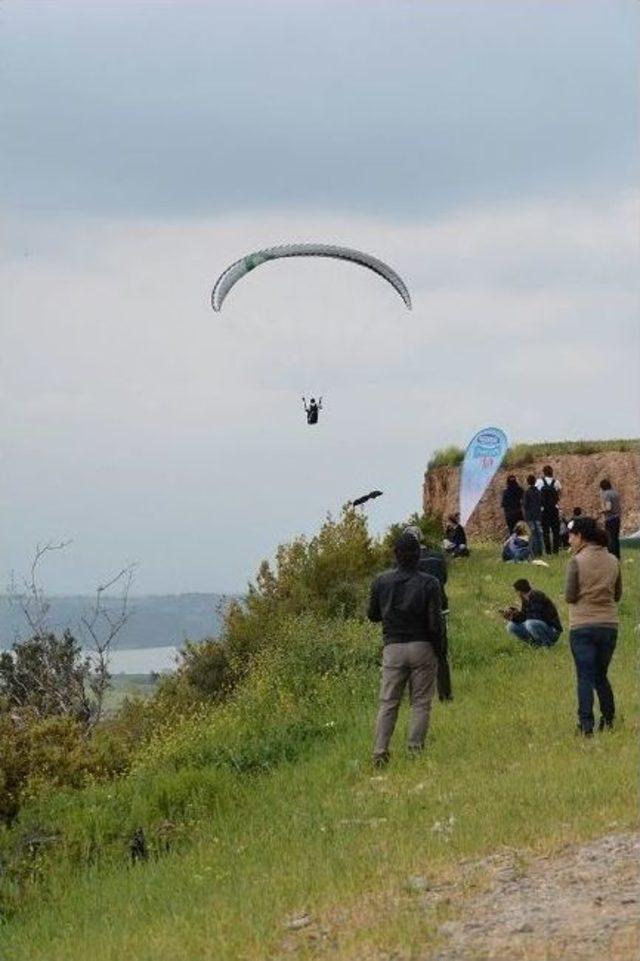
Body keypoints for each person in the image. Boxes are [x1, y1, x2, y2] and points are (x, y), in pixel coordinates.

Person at [368, 532, 443, 765]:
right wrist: (438, 650)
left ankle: (380, 752)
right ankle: (414, 750)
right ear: (419, 555)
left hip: (393, 647)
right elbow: (435, 622)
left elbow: (372, 615)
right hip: (421, 646)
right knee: (420, 703)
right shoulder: (430, 582)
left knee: (388, 702)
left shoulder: (380, 581)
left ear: (395, 555)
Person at [565, 516, 622, 735]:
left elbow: (570, 596)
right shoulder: (613, 560)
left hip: (582, 626)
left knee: (585, 676)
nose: (569, 540)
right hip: (609, 626)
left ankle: (585, 725)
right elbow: (617, 595)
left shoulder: (576, 562)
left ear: (580, 537)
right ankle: (608, 719)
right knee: (601, 675)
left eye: (571, 536)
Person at [405, 525, 452, 701]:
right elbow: (444, 580)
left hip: (415, 612)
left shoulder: (407, 563)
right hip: (439, 609)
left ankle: (417, 697)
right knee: (441, 655)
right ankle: (445, 695)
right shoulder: (438, 557)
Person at [502, 578, 562, 647]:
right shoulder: (525, 600)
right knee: (511, 626)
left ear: (520, 592)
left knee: (530, 623)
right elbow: (524, 617)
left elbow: (535, 617)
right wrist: (512, 616)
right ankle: (535, 644)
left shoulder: (537, 595)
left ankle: (547, 645)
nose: (517, 594)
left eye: (516, 591)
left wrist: (517, 614)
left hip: (552, 630)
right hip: (540, 626)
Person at [536, 465, 562, 555]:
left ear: (544, 472)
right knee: (556, 531)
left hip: (544, 510)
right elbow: (559, 494)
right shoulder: (556, 482)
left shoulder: (539, 482)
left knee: (545, 531)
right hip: (554, 509)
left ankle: (548, 551)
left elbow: (537, 494)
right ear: (552, 472)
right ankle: (556, 550)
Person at [599, 479, 622, 559]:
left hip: (610, 519)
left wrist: (601, 511)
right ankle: (617, 556)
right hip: (617, 518)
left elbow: (608, 507)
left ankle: (611, 557)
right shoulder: (615, 493)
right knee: (616, 538)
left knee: (610, 538)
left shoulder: (606, 494)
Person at [523, 474, 543, 558]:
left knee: (533, 534)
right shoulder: (539, 492)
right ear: (535, 482)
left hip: (530, 517)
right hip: (538, 515)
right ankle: (540, 551)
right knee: (539, 534)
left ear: (528, 482)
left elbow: (525, 505)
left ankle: (534, 552)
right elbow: (541, 502)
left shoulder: (527, 492)